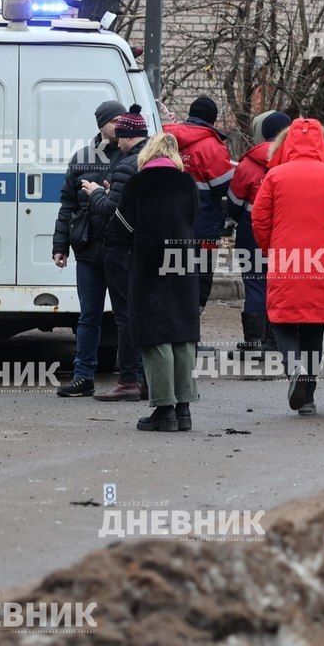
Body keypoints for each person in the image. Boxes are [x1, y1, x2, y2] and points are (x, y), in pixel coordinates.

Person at [251, 118, 324, 416]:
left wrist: (270, 248)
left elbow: (259, 219)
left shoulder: (275, 176)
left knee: (281, 318)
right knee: (314, 323)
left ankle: (294, 366)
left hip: (286, 257)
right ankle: (307, 396)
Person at [116, 133, 201, 432]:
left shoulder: (138, 184)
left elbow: (122, 227)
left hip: (149, 265)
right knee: (182, 332)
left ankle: (164, 409)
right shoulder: (187, 183)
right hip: (183, 263)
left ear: (148, 154)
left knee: (154, 334)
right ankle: (184, 409)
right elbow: (194, 218)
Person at [52, 100, 122, 397]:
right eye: (114, 120)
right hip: (89, 250)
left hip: (120, 249)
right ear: (101, 124)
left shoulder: (132, 156)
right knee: (89, 316)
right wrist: (60, 246)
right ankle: (83, 376)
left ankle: (136, 377)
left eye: (123, 119)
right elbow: (67, 204)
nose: (120, 124)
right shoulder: (82, 158)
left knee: (125, 316)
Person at [83, 106, 148, 401]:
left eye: (120, 137)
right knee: (144, 315)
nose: (117, 144)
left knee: (125, 318)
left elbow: (112, 212)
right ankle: (149, 380)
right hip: (148, 250)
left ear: (126, 137)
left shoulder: (127, 164)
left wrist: (96, 193)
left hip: (123, 252)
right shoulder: (154, 159)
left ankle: (128, 381)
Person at [226, 110, 291, 355]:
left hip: (251, 233)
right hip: (286, 233)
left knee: (255, 282)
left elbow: (233, 203)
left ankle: (254, 341)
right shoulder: (295, 160)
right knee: (280, 284)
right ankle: (276, 341)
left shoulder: (249, 163)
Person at [163, 97, 235, 309]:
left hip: (168, 224)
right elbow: (224, 186)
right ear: (212, 120)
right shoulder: (212, 146)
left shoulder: (166, 139)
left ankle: (173, 333)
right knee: (200, 277)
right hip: (201, 226)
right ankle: (191, 333)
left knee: (173, 276)